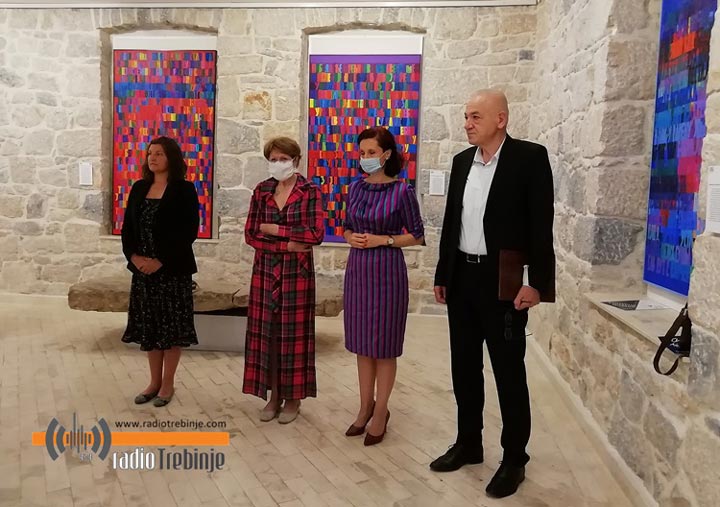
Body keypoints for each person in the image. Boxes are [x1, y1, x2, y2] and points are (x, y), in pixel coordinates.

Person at [431, 89, 555, 498]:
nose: (467, 124)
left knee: (508, 372)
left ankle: (515, 459)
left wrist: (536, 282)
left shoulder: (529, 158)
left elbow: (540, 225)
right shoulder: (461, 162)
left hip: (503, 282)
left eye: (475, 117)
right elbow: (452, 223)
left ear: (501, 119)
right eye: (466, 116)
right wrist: (443, 273)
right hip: (462, 279)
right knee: (464, 367)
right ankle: (469, 443)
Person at [342, 127, 425, 446]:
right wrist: (351, 238)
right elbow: (347, 227)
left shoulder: (402, 191)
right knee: (363, 344)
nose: (365, 158)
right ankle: (365, 406)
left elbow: (416, 235)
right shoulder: (355, 188)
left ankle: (381, 411)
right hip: (358, 271)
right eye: (362, 153)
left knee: (384, 345)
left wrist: (384, 240)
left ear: (386, 155)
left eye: (371, 153)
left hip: (387, 272)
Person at [243, 137, 324, 424]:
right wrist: (287, 244)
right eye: (273, 159)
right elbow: (252, 233)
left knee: (294, 337)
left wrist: (276, 230)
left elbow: (315, 234)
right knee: (268, 335)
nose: (278, 163)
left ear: (296, 160)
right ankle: (274, 395)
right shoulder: (262, 190)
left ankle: (293, 398)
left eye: (283, 159)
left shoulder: (310, 191)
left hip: (296, 276)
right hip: (265, 272)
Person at [121, 136, 200, 407]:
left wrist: (161, 260)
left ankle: (168, 384)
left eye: (159, 154)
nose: (152, 158)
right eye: (150, 153)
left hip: (172, 271)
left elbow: (188, 231)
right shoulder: (139, 188)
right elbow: (128, 228)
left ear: (171, 158)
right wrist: (134, 257)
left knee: (171, 331)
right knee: (151, 330)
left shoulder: (184, 190)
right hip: (143, 272)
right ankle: (153, 383)